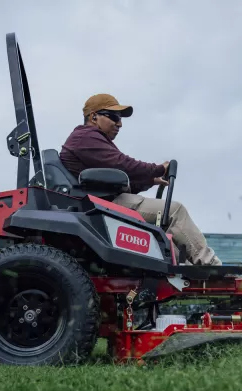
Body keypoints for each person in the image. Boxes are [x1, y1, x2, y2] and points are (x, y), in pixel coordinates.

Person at [60, 93, 222, 266]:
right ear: (93, 116)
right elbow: (122, 165)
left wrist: (151, 180)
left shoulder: (88, 140)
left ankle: (191, 282)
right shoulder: (86, 136)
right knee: (175, 211)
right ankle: (212, 267)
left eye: (120, 118)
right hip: (105, 204)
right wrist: (159, 169)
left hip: (104, 201)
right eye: (114, 117)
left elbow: (117, 178)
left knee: (167, 246)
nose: (119, 123)